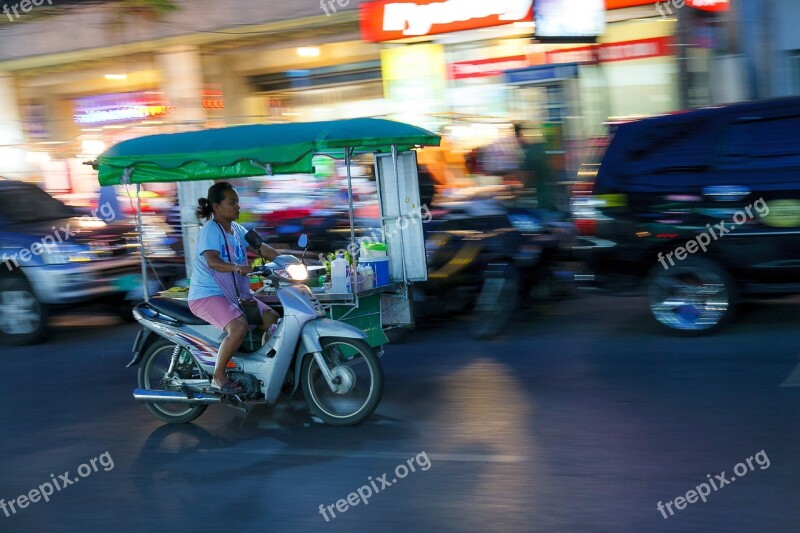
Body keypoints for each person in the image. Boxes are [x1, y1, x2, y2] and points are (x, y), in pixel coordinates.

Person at [188, 182, 280, 394]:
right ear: (217, 206)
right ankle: (218, 377)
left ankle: (261, 367)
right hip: (208, 295)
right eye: (232, 202)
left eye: (237, 202)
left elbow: (261, 248)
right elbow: (212, 261)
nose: (238, 207)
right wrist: (237, 267)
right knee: (238, 327)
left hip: (234, 295)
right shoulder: (211, 230)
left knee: (272, 318)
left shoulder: (237, 230)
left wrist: (287, 260)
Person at [514, 123, 558, 212]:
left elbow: (527, 180)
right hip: (548, 192)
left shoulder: (531, 152)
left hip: (542, 196)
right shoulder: (542, 147)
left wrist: (519, 191)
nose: (518, 142)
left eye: (518, 138)